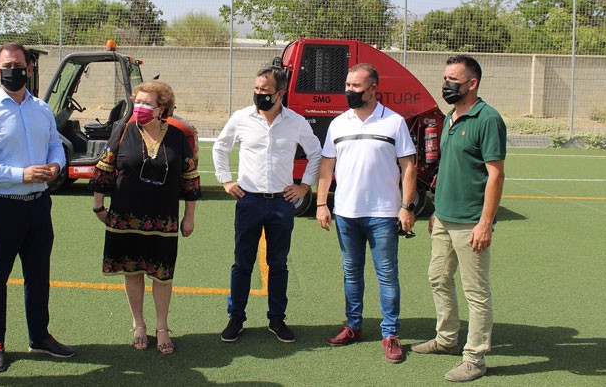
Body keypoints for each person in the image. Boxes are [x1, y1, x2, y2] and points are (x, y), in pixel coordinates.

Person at [0, 43, 74, 373]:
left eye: (20, 65)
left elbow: (55, 143)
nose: (15, 70)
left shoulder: (41, 109)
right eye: (8, 65)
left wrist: (56, 164)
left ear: (30, 69)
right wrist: (19, 174)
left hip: (38, 206)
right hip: (1, 206)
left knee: (38, 276)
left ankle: (39, 336)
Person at [411, 55, 506, 382]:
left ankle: (475, 358)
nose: (446, 84)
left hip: (470, 222)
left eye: (453, 79)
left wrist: (484, 222)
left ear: (472, 83)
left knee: (475, 291)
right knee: (438, 277)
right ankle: (447, 339)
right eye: (445, 78)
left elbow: (495, 176)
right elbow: (448, 171)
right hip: (445, 218)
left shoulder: (487, 119)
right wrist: (437, 211)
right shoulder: (451, 116)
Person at [315, 63, 417, 363]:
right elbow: (326, 166)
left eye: (356, 86)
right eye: (347, 85)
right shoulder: (338, 123)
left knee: (387, 275)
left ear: (373, 88)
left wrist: (407, 206)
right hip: (346, 213)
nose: (349, 91)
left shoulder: (394, 122)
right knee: (351, 272)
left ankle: (390, 334)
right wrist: (322, 203)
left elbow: (408, 166)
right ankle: (354, 326)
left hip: (384, 214)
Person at [89, 80, 200, 355]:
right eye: (137, 102)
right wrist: (99, 207)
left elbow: (189, 176)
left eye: (147, 103)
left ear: (162, 108)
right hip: (126, 216)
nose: (140, 108)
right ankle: (138, 325)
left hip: (163, 218)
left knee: (162, 276)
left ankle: (162, 327)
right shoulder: (123, 130)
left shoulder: (176, 136)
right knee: (133, 271)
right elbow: (105, 166)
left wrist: (189, 217)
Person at [212, 66, 322, 344]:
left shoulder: (296, 121)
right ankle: (235, 318)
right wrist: (225, 180)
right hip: (248, 201)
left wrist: (304, 187)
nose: (259, 94)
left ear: (280, 93)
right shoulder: (241, 118)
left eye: (266, 91)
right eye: (257, 89)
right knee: (242, 264)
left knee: (278, 264)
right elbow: (220, 147)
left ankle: (277, 319)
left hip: (281, 205)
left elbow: (316, 154)